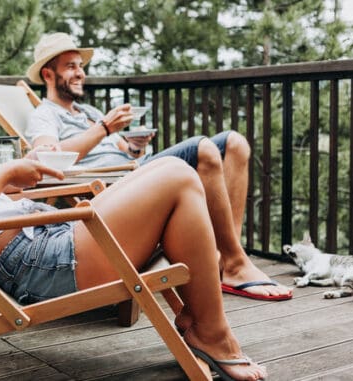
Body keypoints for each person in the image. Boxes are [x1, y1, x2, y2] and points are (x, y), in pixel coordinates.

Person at [0, 41, 267, 381]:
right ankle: (211, 333)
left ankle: (200, 320)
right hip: (34, 264)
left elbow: (8, 191)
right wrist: (5, 176)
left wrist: (23, 181)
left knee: (171, 172)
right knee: (174, 173)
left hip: (43, 239)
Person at [24, 32, 291, 301]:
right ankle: (235, 265)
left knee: (235, 143)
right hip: (116, 189)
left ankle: (227, 259)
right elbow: (48, 156)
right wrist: (103, 128)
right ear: (48, 75)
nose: (80, 73)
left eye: (81, 66)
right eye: (70, 66)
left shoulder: (89, 113)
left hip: (134, 170)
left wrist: (135, 144)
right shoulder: (44, 115)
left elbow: (125, 151)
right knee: (204, 149)